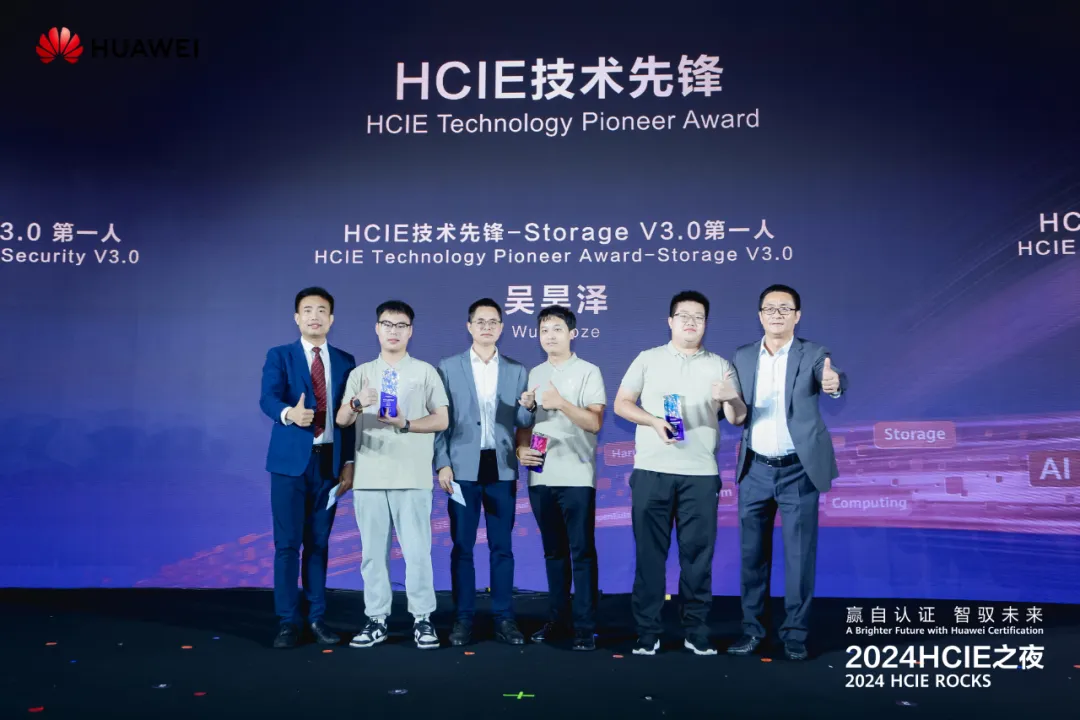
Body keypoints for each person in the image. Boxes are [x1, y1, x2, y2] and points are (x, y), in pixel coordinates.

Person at [614, 290, 747, 656]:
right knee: (650, 556)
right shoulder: (648, 359)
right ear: (670, 321)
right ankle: (647, 632)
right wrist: (653, 420)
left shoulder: (720, 365)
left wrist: (731, 396)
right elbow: (622, 404)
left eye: (698, 317)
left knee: (698, 558)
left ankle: (696, 630)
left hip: (700, 473)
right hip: (651, 471)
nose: (691, 322)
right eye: (684, 316)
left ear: (706, 323)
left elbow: (737, 417)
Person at [726, 284, 847, 661]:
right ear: (759, 315)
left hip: (798, 470)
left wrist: (833, 384)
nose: (776, 314)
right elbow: (735, 409)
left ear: (797, 316)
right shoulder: (743, 356)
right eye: (770, 308)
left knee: (799, 557)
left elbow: (832, 378)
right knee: (752, 557)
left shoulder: (814, 353)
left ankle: (795, 634)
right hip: (755, 469)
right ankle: (753, 631)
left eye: (784, 308)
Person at [335, 300, 449, 650]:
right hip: (370, 477)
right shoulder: (361, 374)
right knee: (372, 554)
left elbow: (442, 419)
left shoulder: (425, 372)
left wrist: (406, 423)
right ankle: (376, 619)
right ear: (377, 328)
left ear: (410, 331)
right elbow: (341, 420)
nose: (394, 331)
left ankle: (423, 618)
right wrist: (357, 402)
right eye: (387, 324)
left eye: (401, 325)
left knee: (417, 553)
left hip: (412, 475)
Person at [259, 287, 356, 649]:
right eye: (308, 310)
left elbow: (349, 418)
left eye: (322, 310)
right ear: (297, 318)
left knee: (318, 544)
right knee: (287, 546)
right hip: (289, 465)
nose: (315, 316)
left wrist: (349, 462)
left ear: (331, 318)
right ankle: (288, 622)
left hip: (328, 463)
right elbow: (267, 398)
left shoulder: (345, 361)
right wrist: (289, 414)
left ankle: (316, 618)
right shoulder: (280, 355)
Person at [434, 298, 533, 646]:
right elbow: (440, 422)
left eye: (493, 322)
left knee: (502, 547)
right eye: (480, 321)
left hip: (502, 468)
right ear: (469, 326)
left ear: (502, 328)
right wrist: (442, 462)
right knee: (462, 547)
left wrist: (529, 408)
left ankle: (504, 618)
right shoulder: (448, 367)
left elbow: (522, 422)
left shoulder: (517, 370)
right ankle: (463, 619)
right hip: (462, 468)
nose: (487, 327)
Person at [516, 306, 606, 651]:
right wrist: (522, 446)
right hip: (541, 476)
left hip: (577, 475)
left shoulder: (589, 371)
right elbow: (526, 425)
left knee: (581, 552)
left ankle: (585, 626)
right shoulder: (535, 373)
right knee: (553, 553)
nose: (550, 335)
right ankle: (557, 619)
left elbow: (594, 422)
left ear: (572, 334)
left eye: (556, 329)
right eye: (544, 330)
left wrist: (560, 402)